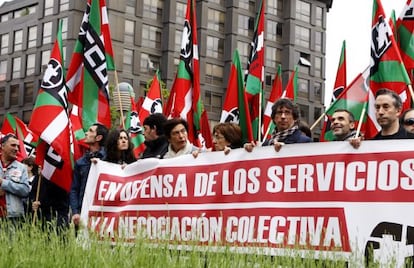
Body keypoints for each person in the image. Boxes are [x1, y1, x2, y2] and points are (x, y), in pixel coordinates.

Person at [70, 123, 108, 231]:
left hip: (104, 212)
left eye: (91, 131)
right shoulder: (80, 162)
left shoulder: (109, 159)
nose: (86, 133)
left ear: (99, 137)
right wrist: (75, 212)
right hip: (83, 212)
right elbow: (74, 189)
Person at [245, 98, 311, 152]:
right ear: (273, 118)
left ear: (295, 118)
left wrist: (285, 150)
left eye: (287, 113)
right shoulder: (266, 144)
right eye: (279, 112)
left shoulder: (305, 142)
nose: (283, 116)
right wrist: (252, 152)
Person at [0, 134, 30, 223]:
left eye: (17, 146)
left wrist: (4, 183)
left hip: (13, 218)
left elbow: (25, 190)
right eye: (13, 145)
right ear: (2, 146)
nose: (16, 149)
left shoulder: (22, 168)